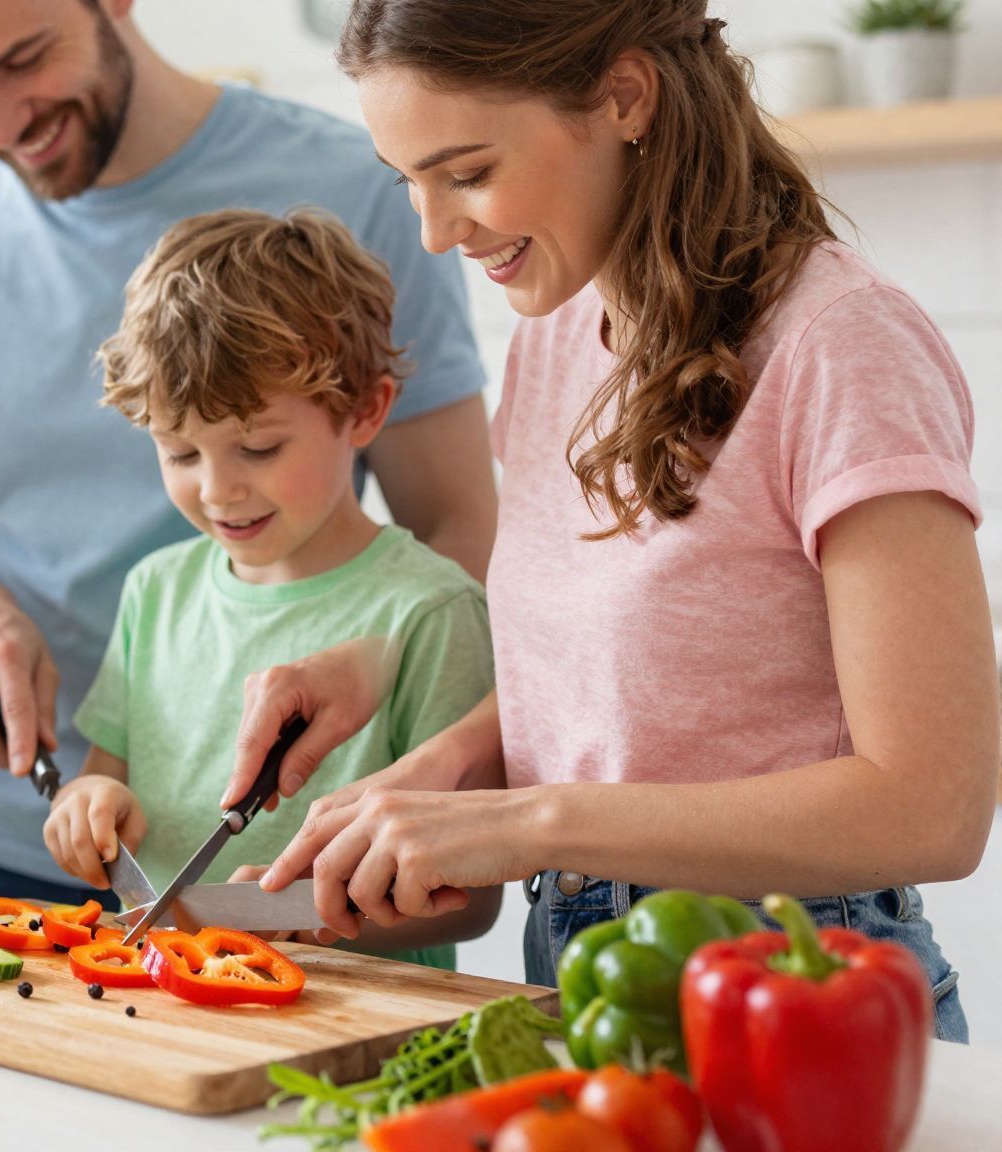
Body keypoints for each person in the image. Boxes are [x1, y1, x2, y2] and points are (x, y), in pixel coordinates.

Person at [228, 0, 993, 1040]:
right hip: (583, 975)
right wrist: (448, 769)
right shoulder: (554, 336)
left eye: (463, 171)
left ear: (623, 98)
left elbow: (931, 808)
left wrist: (526, 821)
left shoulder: (837, 342)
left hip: (801, 989)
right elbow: (630, 694)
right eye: (405, 180)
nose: (434, 231)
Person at [0, 0, 496, 903]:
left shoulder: (358, 181)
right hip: (27, 835)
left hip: (319, 889)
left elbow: (458, 525)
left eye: (24, 59)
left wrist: (383, 683)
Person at [43, 208, 498, 967]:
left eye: (258, 446)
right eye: (180, 451)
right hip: (170, 995)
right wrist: (82, 810)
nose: (219, 490)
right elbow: (102, 786)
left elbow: (471, 901)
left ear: (365, 410)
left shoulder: (431, 610)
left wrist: (310, 918)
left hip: (356, 1024)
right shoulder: (155, 590)